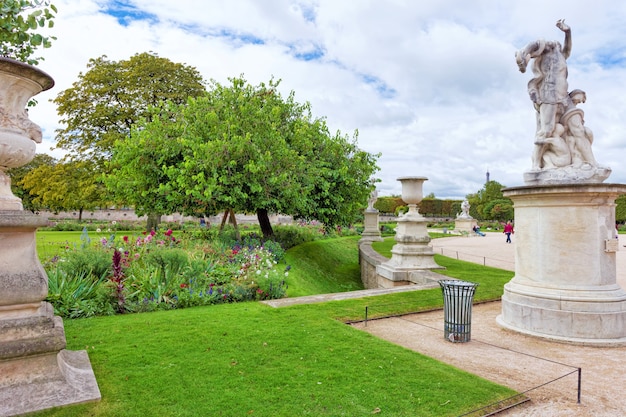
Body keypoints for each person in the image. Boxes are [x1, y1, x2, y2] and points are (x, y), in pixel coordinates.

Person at [516, 19, 571, 170]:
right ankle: (536, 164)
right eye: (557, 44)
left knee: (559, 130)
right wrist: (524, 54)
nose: (559, 45)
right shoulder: (550, 49)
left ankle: (553, 162)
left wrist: (568, 32)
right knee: (546, 130)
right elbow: (536, 44)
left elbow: (567, 49)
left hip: (562, 98)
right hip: (549, 94)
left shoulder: (561, 56)